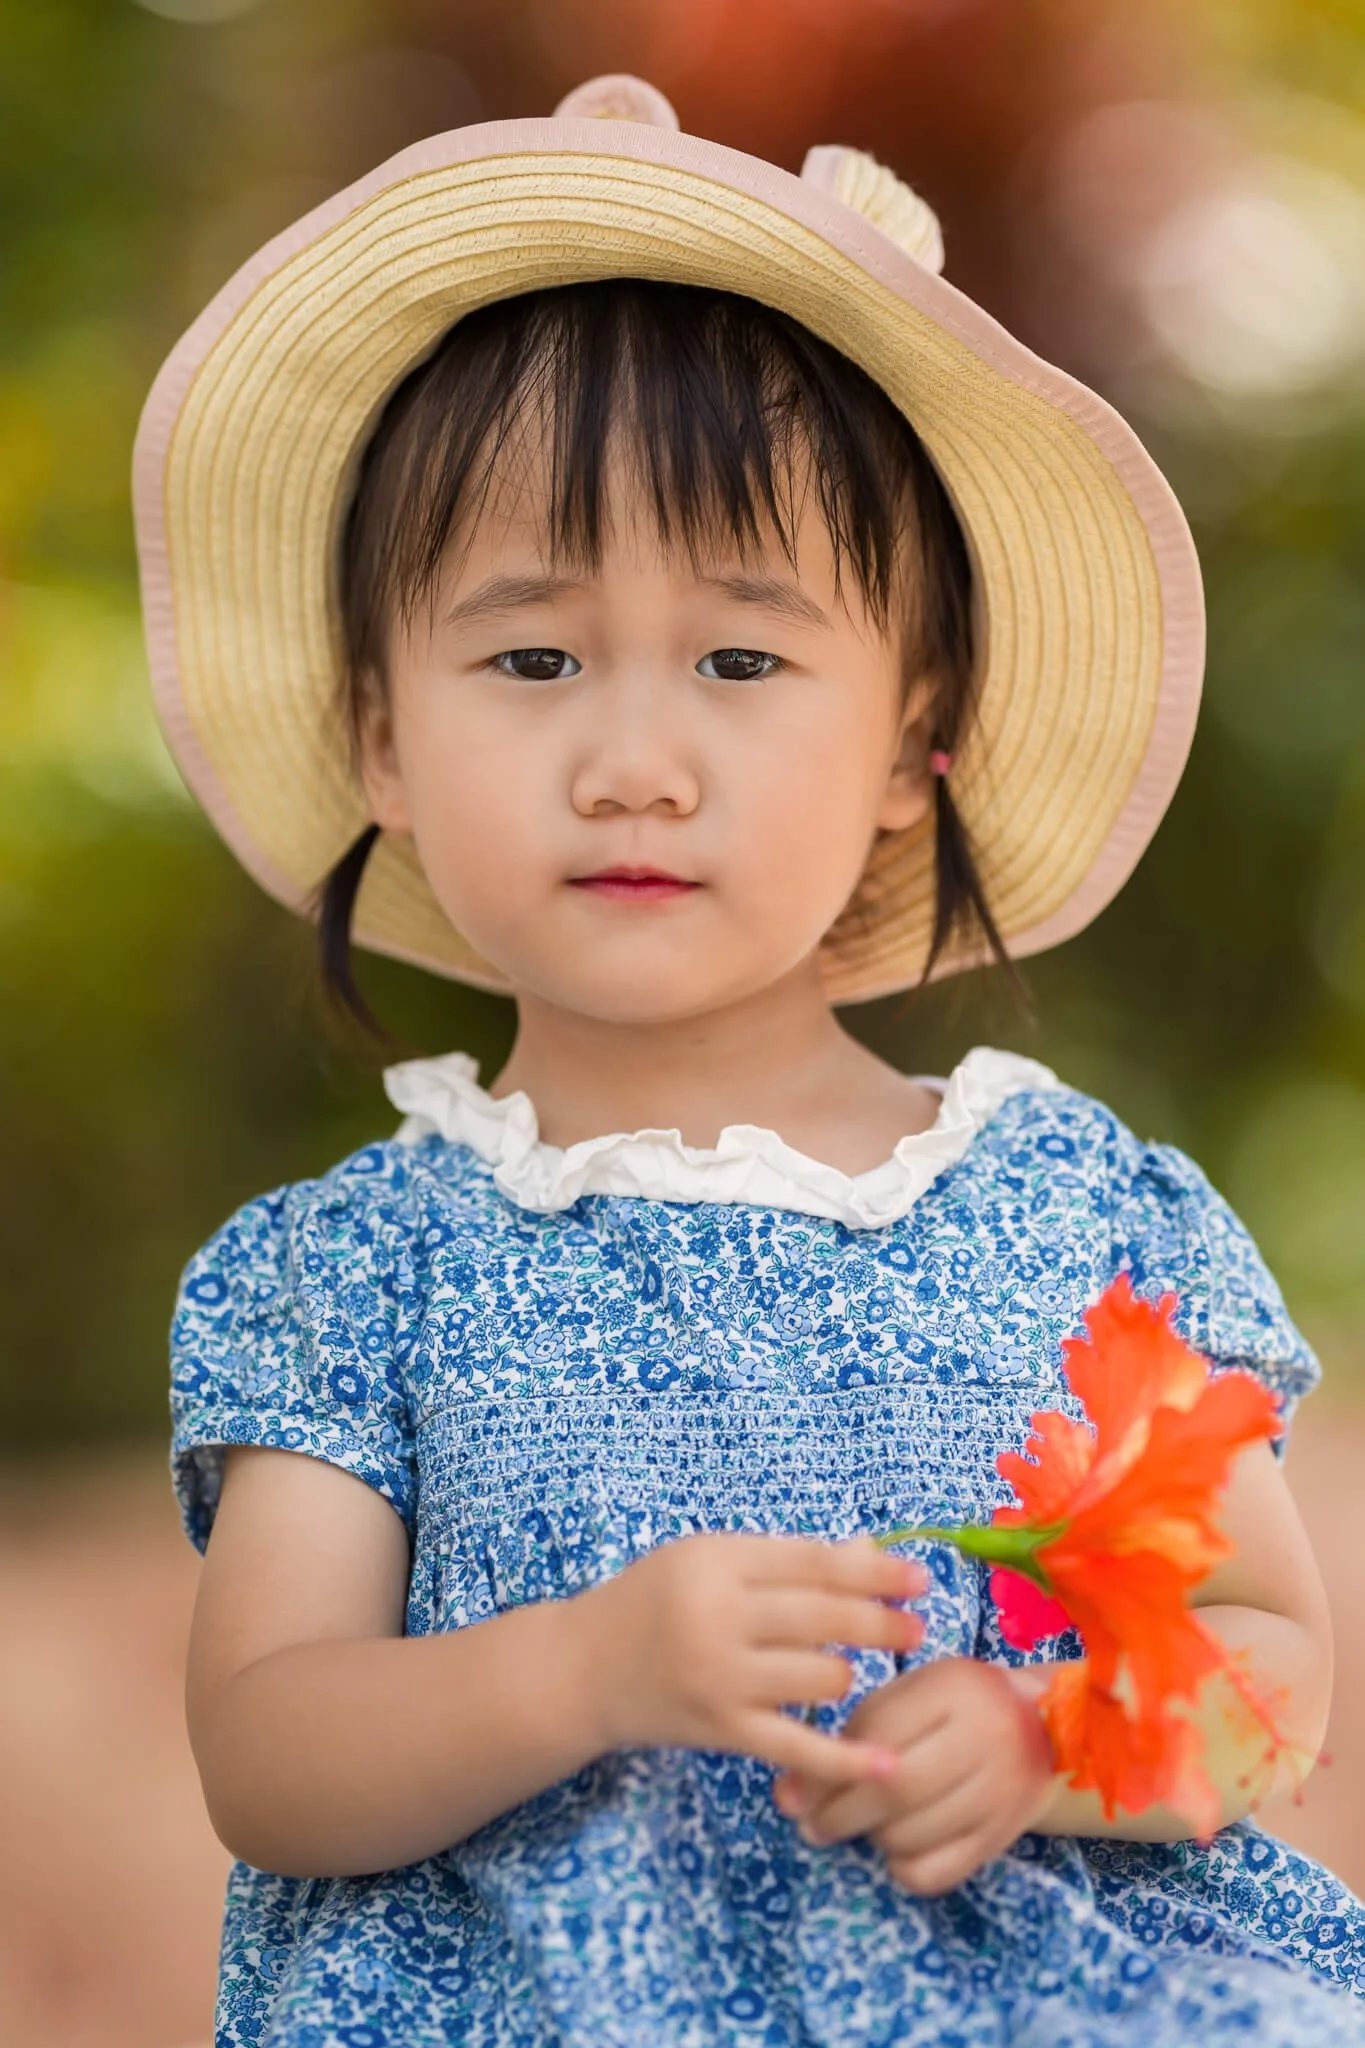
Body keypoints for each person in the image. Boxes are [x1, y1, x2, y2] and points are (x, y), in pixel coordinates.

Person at [135, 73, 1364, 2048]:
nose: (635, 756)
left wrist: (1042, 1735)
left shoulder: (1070, 1216)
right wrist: (579, 1671)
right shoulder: (361, 1271)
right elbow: (270, 1749)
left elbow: (1267, 1669)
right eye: (531, 657)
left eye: (740, 658)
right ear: (378, 729)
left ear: (910, 739)